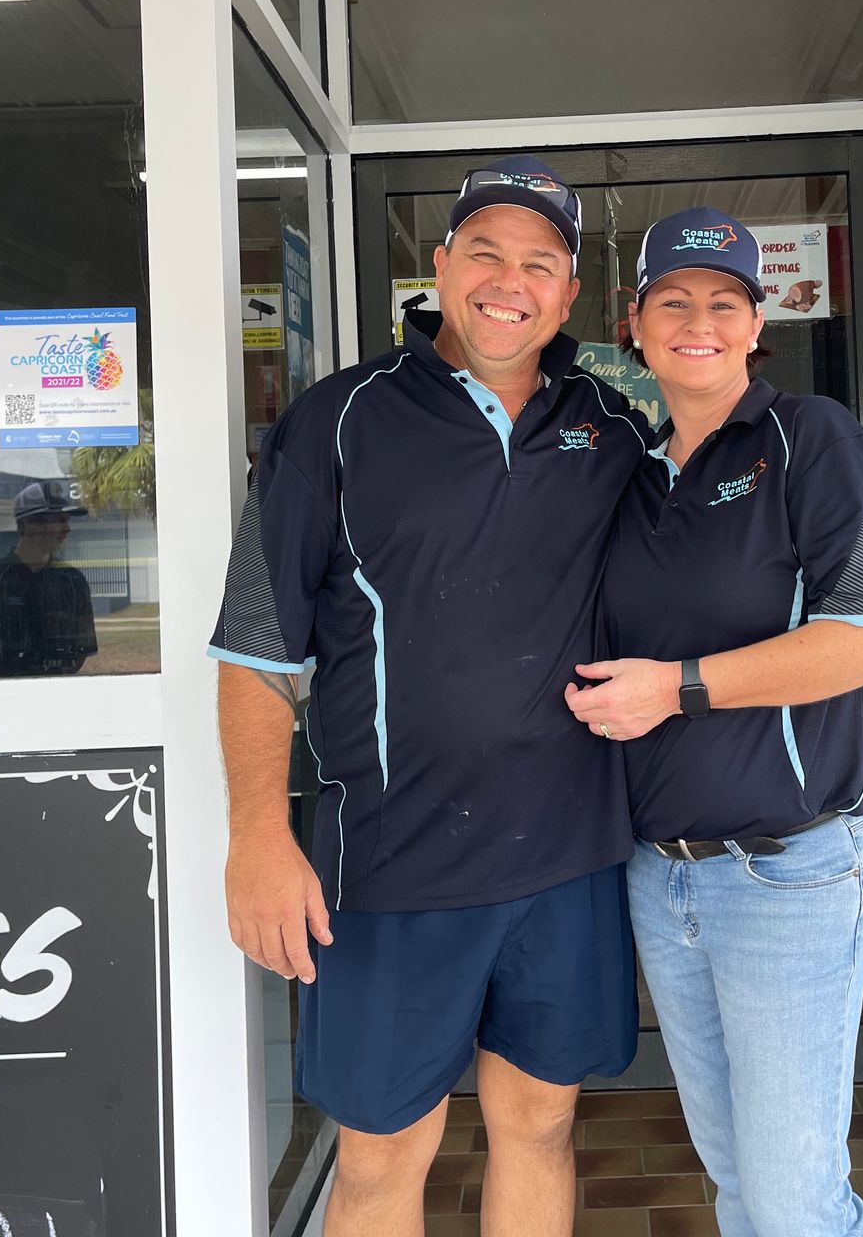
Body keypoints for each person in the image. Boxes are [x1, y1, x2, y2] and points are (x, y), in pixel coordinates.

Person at [209, 156, 652, 1237]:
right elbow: (261, 647)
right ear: (442, 266)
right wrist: (259, 833)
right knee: (378, 1160)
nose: (511, 282)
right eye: (487, 253)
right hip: (390, 864)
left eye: (539, 264)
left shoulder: (612, 428)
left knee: (541, 1125)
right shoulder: (335, 423)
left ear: (570, 294)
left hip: (570, 855)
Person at [566, 206, 863, 1237]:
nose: (699, 321)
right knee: (737, 1180)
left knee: (793, 1198)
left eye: (725, 303)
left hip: (792, 871)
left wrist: (676, 686)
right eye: (672, 301)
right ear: (633, 324)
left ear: (756, 326)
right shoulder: (632, 477)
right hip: (660, 873)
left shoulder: (810, 440)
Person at [0, 479, 98, 677]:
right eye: (59, 520)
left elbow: (79, 654)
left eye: (67, 520)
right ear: (29, 524)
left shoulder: (73, 581)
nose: (67, 529)